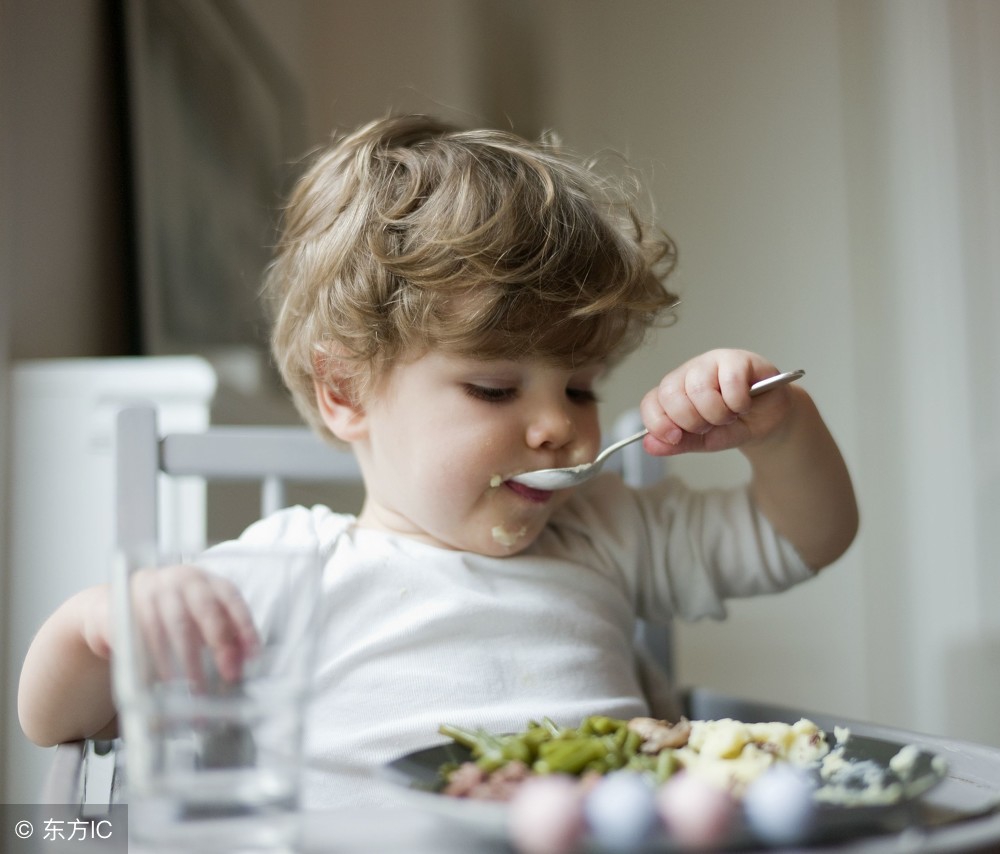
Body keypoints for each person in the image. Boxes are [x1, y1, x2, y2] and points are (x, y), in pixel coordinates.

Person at [17, 115, 858, 805]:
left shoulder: (604, 533)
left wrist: (780, 428)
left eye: (580, 388)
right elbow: (52, 718)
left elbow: (805, 537)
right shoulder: (295, 568)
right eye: (494, 390)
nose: (557, 429)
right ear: (345, 391)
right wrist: (104, 619)